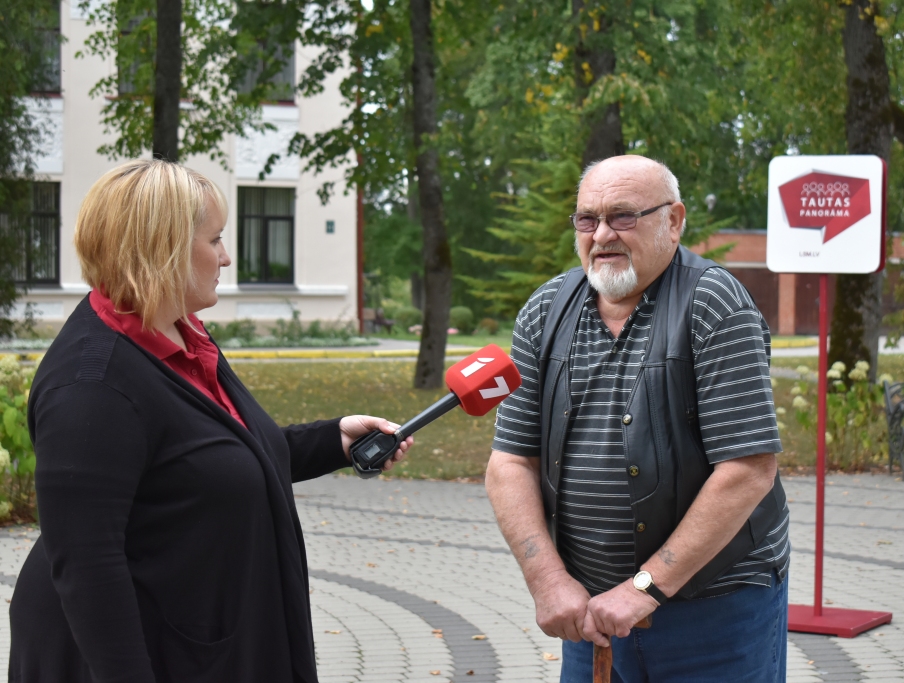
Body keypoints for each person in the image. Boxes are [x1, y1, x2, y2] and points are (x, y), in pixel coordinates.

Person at [8, 160, 412, 683]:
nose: (225, 256)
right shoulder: (92, 386)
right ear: (162, 245)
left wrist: (333, 439)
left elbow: (213, 458)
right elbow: (87, 566)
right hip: (137, 656)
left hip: (206, 638)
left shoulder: (183, 334)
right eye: (215, 239)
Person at [486, 155, 790, 682]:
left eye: (623, 216)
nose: (602, 234)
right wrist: (548, 581)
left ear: (673, 221)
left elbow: (747, 471)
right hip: (593, 615)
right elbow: (509, 462)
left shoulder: (715, 302)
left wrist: (643, 589)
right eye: (588, 219)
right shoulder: (545, 309)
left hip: (712, 612)